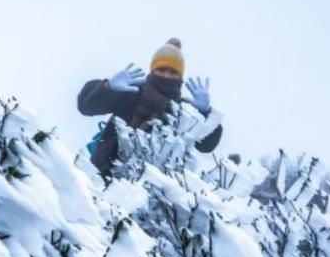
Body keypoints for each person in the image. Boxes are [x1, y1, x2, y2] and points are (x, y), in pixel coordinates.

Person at [77, 38, 223, 179]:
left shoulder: (183, 111)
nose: (167, 75)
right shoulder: (131, 92)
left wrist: (204, 114)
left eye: (173, 72)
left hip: (156, 191)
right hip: (106, 173)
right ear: (153, 70)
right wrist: (107, 87)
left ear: (180, 76)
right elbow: (85, 106)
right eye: (162, 69)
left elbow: (207, 146)